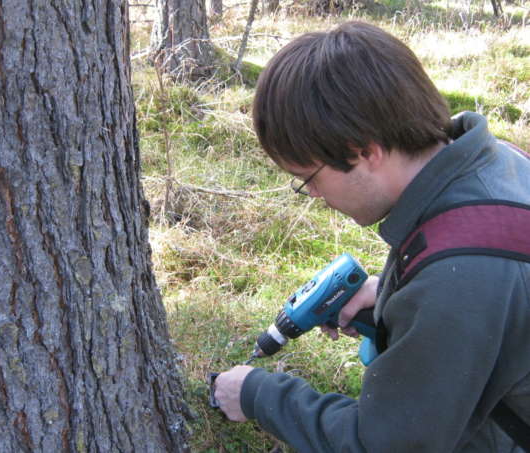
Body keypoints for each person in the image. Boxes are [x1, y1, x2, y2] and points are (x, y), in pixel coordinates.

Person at [213, 21, 530, 452]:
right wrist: (399, 297)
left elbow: (384, 444)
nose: (314, 195)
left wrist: (258, 395)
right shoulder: (498, 163)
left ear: (364, 151)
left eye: (308, 178)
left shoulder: (460, 278)